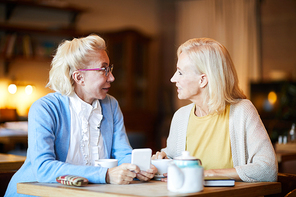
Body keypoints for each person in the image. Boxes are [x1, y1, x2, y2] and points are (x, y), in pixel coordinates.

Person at [5, 34, 156, 196]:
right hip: (34, 193)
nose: (111, 77)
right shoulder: (45, 108)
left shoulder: (111, 105)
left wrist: (138, 168)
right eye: (104, 70)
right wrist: (105, 175)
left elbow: (122, 152)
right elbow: (43, 168)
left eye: (109, 69)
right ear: (79, 77)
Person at [152, 38, 277, 182]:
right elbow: (174, 159)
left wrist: (207, 173)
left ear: (203, 80)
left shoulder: (242, 111)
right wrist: (163, 160)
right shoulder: (181, 116)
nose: (173, 79)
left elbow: (268, 170)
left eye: (180, 73)